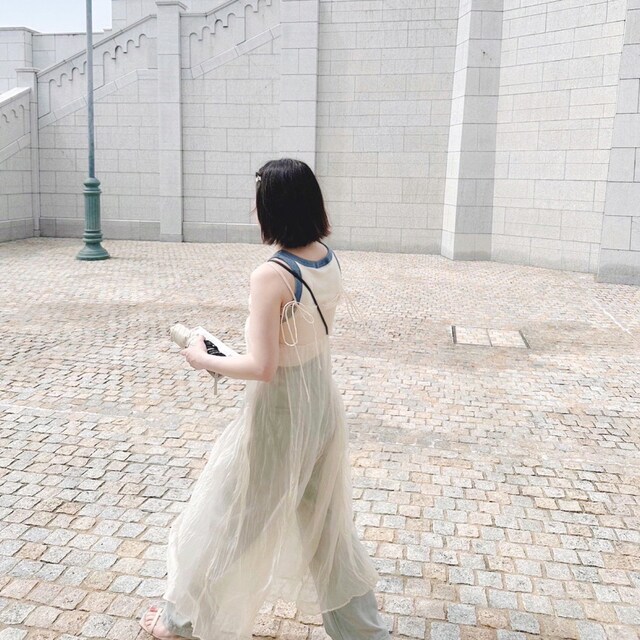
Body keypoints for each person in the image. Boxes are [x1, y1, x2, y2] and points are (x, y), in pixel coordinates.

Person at [139, 158, 391, 640]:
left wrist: (203, 357)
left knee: (232, 517)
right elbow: (290, 346)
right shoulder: (327, 257)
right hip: (320, 405)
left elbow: (263, 367)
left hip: (280, 414)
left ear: (272, 209)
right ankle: (365, 632)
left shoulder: (271, 275)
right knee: (329, 529)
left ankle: (180, 621)